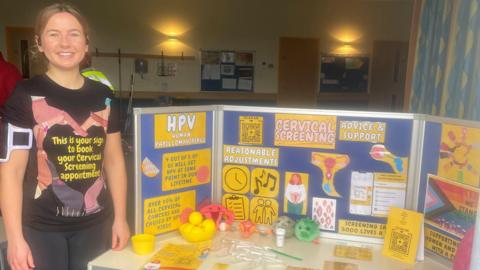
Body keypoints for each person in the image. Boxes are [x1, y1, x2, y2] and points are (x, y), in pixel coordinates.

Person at [0, 3, 130, 270]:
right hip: (41, 227)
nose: (64, 43)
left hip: (96, 224)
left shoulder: (103, 97)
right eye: (53, 34)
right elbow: (11, 171)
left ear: (86, 42)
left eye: (73, 33)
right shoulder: (25, 95)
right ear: (39, 43)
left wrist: (121, 218)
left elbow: (115, 162)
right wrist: (14, 239)